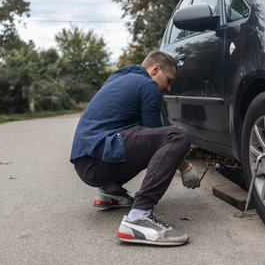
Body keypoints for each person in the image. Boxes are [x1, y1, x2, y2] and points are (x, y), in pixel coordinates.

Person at [70, 51, 200, 246]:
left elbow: (147, 138)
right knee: (178, 136)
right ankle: (139, 217)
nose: (169, 87)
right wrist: (185, 166)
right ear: (155, 69)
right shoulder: (148, 84)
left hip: (85, 163)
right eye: (169, 80)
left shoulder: (121, 78)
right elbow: (158, 135)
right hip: (99, 159)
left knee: (142, 138)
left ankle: (110, 191)